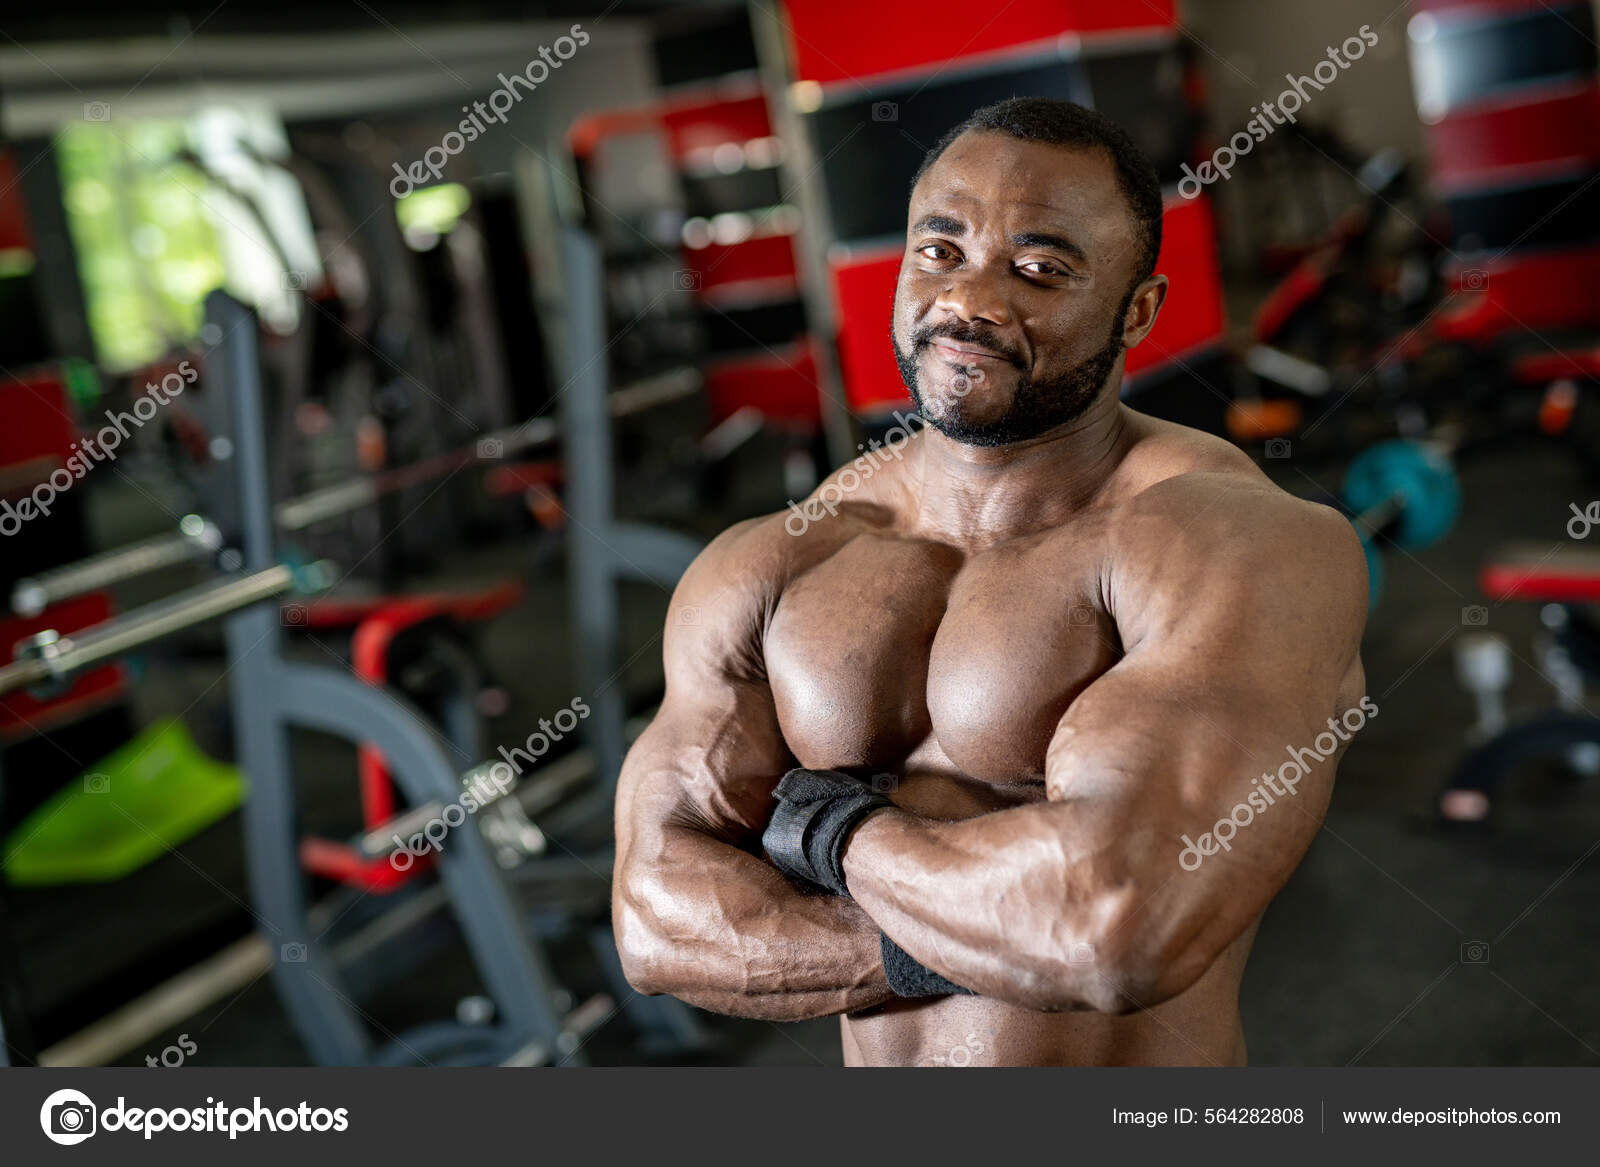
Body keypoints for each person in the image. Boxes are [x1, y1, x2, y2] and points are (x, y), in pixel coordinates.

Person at [613, 97, 1368, 1066]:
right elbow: (654, 925)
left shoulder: (1234, 541)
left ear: (1136, 310)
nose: (970, 299)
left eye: (1039, 269)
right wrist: (982, 934)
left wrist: (826, 832)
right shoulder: (774, 557)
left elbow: (1116, 922)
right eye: (940, 251)